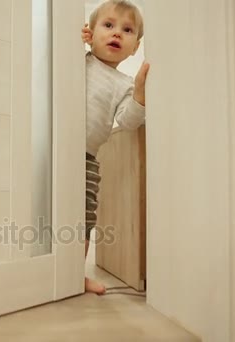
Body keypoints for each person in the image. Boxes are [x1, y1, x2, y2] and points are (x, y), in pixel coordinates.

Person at [80, 0, 150, 294]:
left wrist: (140, 94)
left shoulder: (124, 84)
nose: (117, 34)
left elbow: (127, 121)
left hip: (88, 157)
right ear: (91, 33)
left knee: (85, 214)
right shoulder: (79, 60)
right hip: (55, 145)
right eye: (108, 26)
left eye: (127, 30)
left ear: (135, 47)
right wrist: (74, 41)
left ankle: (74, 272)